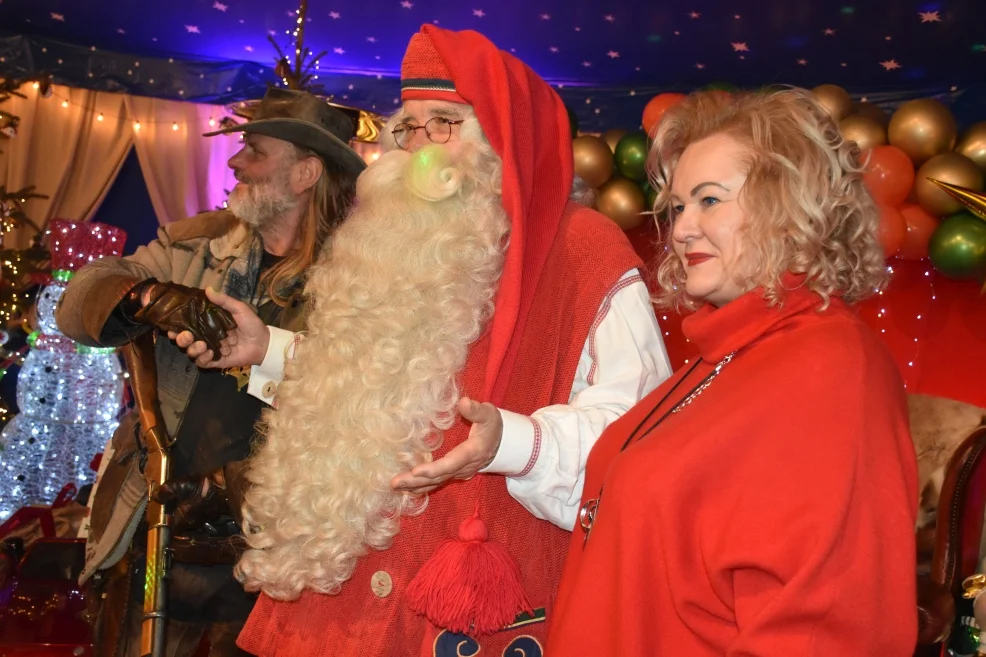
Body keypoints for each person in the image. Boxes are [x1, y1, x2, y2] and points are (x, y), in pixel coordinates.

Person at [178, 25, 671, 656]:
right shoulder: (396, 241)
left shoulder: (584, 251)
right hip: (338, 614)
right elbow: (376, 382)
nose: (417, 147)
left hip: (465, 615)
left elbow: (641, 440)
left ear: (502, 140)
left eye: (444, 123)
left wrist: (514, 442)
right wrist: (266, 350)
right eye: (408, 127)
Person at [545, 88, 919, 655]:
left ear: (789, 209)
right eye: (677, 207)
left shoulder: (832, 366)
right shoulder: (722, 355)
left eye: (709, 200)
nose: (681, 229)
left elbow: (825, 627)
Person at [54, 87, 365, 657]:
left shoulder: (360, 277)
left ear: (306, 174)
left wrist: (232, 488)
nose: (235, 162)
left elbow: (363, 401)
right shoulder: (196, 245)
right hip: (158, 535)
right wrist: (144, 294)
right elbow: (77, 304)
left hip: (277, 561)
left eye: (255, 150)